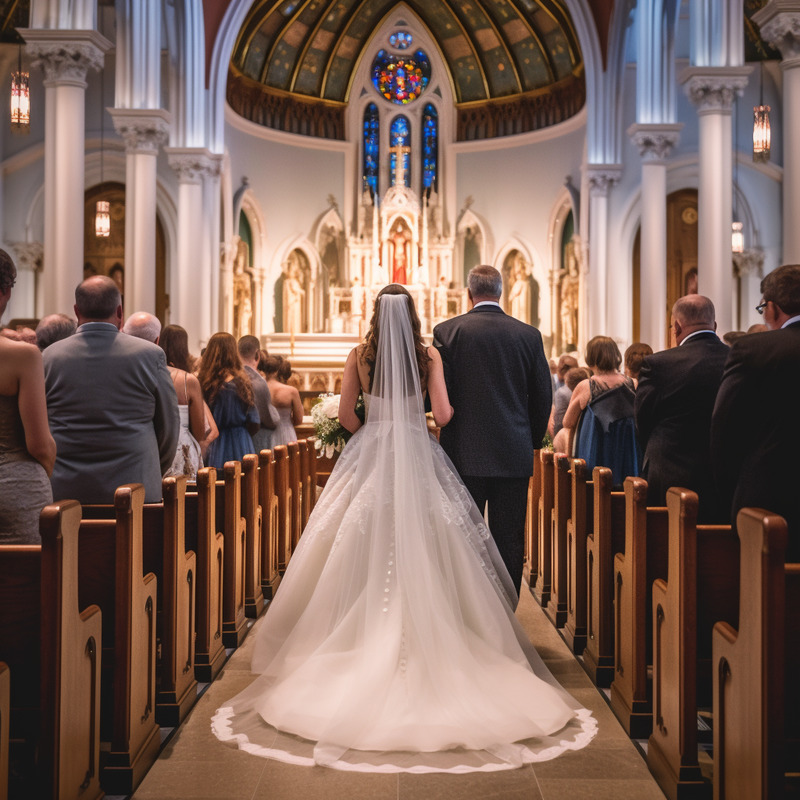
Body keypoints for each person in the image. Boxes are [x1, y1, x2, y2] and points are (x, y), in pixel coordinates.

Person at [212, 285, 596, 772]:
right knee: (435, 541)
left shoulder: (359, 355)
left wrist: (374, 432)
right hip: (419, 452)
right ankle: (449, 632)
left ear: (374, 313)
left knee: (358, 540)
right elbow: (446, 413)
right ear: (413, 314)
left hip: (373, 454)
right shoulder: (429, 354)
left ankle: (357, 633)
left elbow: (348, 414)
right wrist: (416, 423)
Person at [433, 265, 552, 599]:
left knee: (463, 535)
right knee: (509, 537)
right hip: (512, 453)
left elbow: (440, 393)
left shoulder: (447, 332)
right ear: (501, 291)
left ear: (468, 294)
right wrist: (527, 441)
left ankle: (468, 611)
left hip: (462, 453)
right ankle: (507, 614)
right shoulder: (529, 335)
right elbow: (542, 397)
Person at [43, 276, 179, 504]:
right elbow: (169, 428)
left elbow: (41, 426)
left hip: (66, 492)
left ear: (77, 311)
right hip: (136, 489)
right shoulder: (150, 355)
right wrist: (151, 467)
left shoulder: (48, 357)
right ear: (120, 311)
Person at [711, 263, 800, 559]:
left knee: (763, 596)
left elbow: (724, 428)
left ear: (772, 308)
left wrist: (730, 492)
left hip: (769, 496)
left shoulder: (753, 351)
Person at [635, 295, 728, 521]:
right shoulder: (736, 358)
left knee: (668, 545)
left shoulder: (658, 364)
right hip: (723, 472)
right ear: (714, 326)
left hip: (670, 473)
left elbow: (643, 420)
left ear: (676, 327)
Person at [0, 250, 56, 543]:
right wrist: (46, 471)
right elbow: (39, 444)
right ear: (7, 291)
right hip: (14, 487)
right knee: (28, 584)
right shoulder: (22, 355)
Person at [554, 335, 639, 488]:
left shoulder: (587, 386)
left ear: (590, 357)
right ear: (616, 356)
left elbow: (567, 422)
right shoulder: (633, 384)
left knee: (597, 492)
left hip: (598, 449)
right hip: (627, 452)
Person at [199, 332, 259, 469]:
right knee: (243, 483)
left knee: (215, 484)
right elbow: (254, 421)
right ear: (234, 352)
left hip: (214, 442)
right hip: (241, 441)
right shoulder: (243, 382)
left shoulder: (203, 382)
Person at [160, 324, 217, 461]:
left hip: (157, 449)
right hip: (181, 450)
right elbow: (202, 432)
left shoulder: (149, 373)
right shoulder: (187, 380)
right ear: (183, 348)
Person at [238, 335, 278, 453]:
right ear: (257, 355)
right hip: (255, 440)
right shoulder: (258, 382)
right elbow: (267, 418)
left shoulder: (231, 376)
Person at [264, 355, 304, 446]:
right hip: (285, 432)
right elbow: (298, 419)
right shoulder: (291, 391)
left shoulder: (258, 388)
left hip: (264, 433)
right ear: (279, 371)